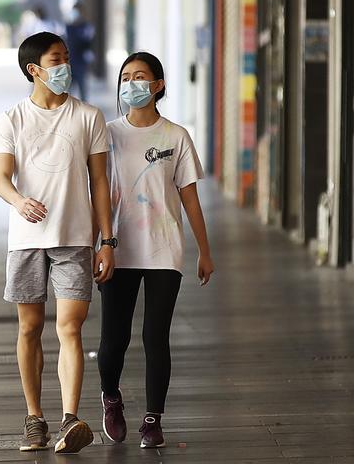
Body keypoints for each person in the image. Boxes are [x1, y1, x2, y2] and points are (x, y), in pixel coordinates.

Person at [0, 32, 114, 454]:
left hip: (75, 238)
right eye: (56, 60)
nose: (65, 67)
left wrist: (107, 239)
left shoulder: (89, 117)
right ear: (34, 70)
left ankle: (69, 418)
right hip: (26, 241)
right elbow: (2, 180)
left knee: (70, 327)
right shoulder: (11, 119)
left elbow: (100, 182)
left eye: (66, 58)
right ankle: (34, 418)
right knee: (29, 327)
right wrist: (19, 201)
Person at [98, 52, 215, 449]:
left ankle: (153, 419)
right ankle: (111, 397)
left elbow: (190, 199)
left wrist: (204, 250)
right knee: (114, 340)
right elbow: (95, 194)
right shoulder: (107, 134)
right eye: (126, 77)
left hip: (164, 249)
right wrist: (96, 244)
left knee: (155, 336)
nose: (132, 84)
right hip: (117, 248)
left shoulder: (176, 136)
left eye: (141, 77)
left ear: (158, 85)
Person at [64, 4, 96, 101]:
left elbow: (89, 43)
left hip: (81, 62)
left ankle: (83, 108)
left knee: (82, 88)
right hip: (69, 61)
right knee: (68, 89)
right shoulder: (68, 27)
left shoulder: (87, 27)